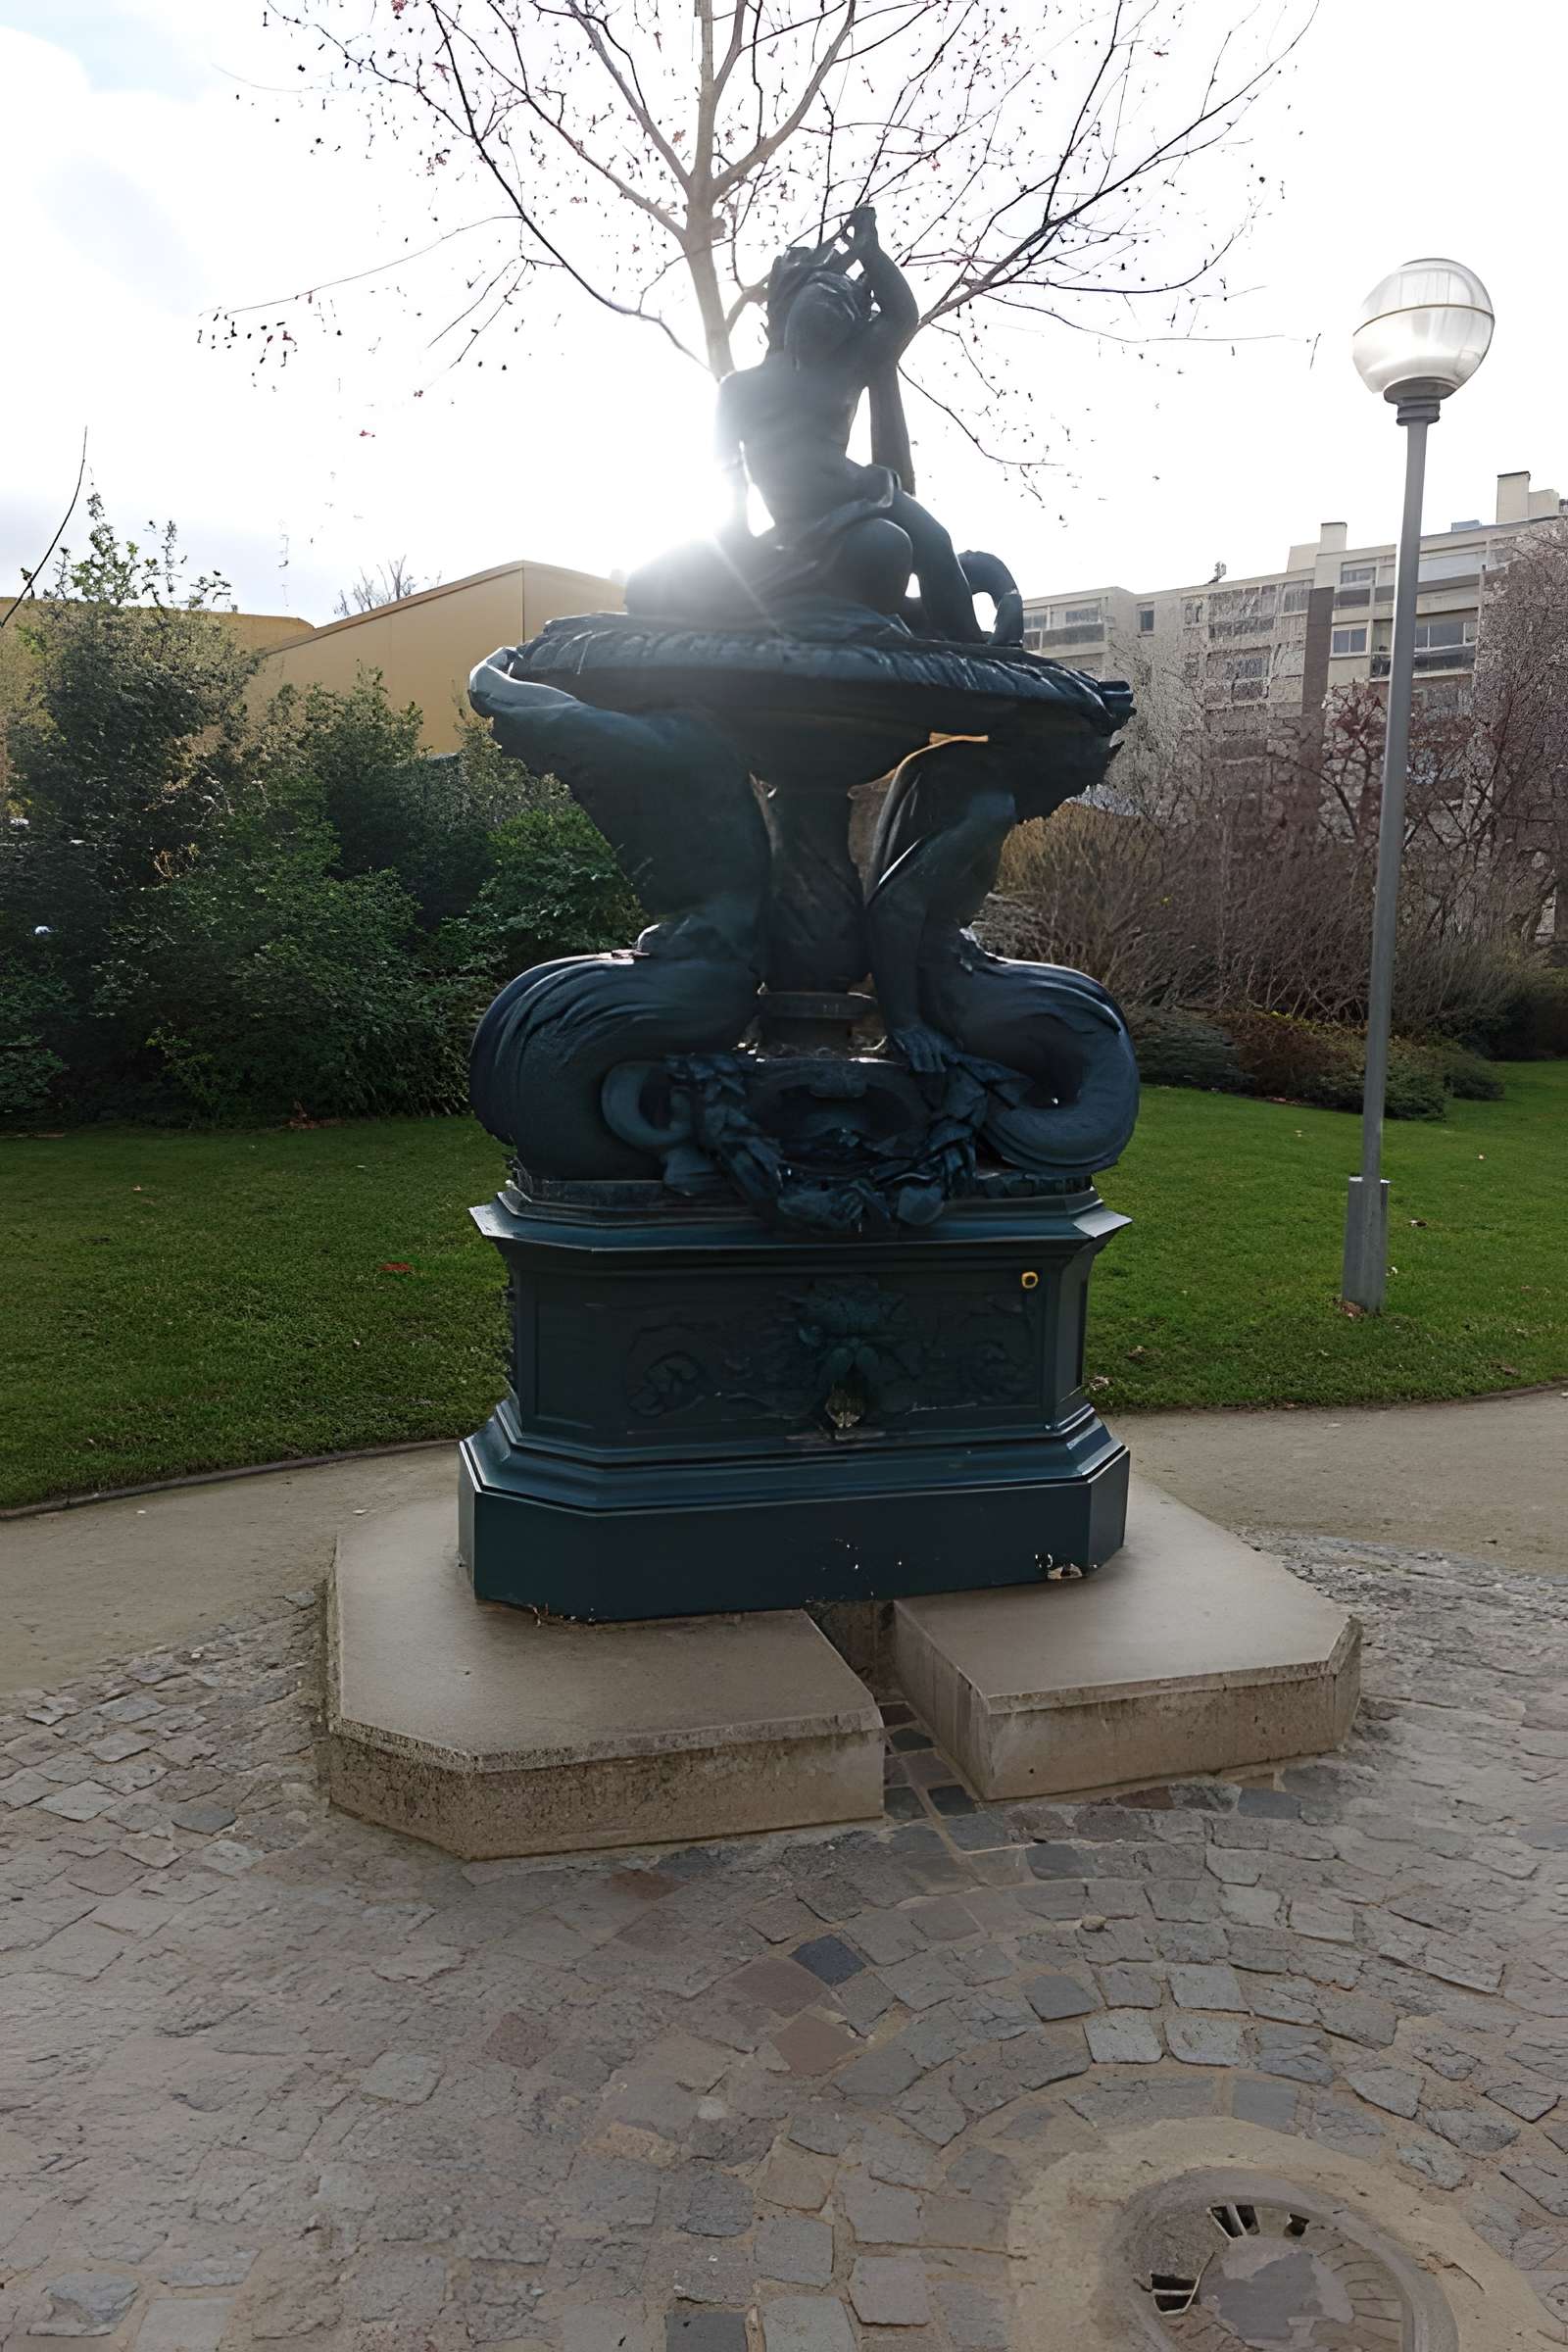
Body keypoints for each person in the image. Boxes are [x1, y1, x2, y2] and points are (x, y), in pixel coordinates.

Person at [713, 206, 983, 641]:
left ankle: (967, 640)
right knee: (887, 546)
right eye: (823, 294)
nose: (832, 308)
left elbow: (901, 316)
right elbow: (726, 477)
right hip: (797, 521)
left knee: (934, 540)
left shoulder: (846, 370)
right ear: (790, 301)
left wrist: (871, 254)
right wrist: (737, 546)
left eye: (845, 306)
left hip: (862, 490)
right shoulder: (739, 389)